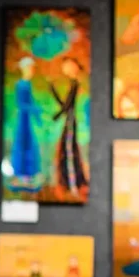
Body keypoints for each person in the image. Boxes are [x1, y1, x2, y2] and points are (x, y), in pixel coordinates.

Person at [50, 57, 88, 198]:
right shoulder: (72, 83)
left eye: (68, 66)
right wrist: (53, 91)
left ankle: (73, 185)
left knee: (69, 152)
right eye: (65, 67)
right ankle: (69, 184)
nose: (65, 69)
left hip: (71, 122)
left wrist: (57, 115)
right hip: (69, 121)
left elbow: (66, 107)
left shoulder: (75, 83)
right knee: (66, 152)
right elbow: (65, 105)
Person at [10, 57, 41, 187]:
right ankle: (20, 175)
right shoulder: (21, 84)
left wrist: (37, 116)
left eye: (32, 68)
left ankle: (28, 176)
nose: (31, 71)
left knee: (30, 146)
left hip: (28, 120)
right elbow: (21, 104)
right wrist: (34, 109)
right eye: (29, 68)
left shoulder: (28, 84)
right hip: (23, 119)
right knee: (22, 145)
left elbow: (31, 101)